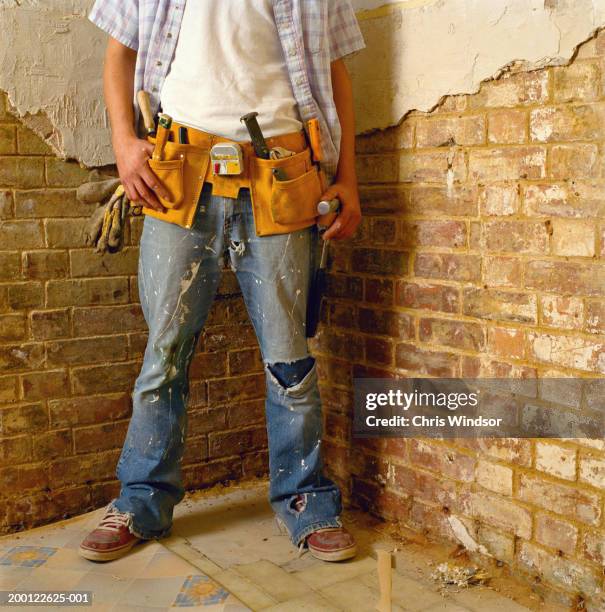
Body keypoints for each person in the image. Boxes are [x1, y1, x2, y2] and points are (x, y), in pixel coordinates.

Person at [79, 0, 366, 563]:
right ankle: (140, 500)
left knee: (290, 358)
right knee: (164, 351)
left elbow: (334, 71)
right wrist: (123, 144)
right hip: (176, 170)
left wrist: (348, 177)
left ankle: (307, 500)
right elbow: (120, 50)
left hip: (284, 172)